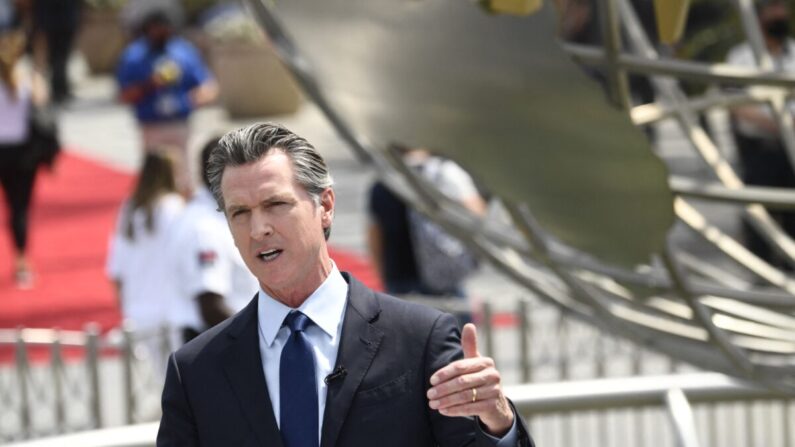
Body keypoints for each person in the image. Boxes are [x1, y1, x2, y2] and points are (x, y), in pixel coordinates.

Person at [157, 123, 533, 446]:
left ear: (326, 206)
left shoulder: (420, 340)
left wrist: (496, 419)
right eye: (240, 212)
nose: (259, 229)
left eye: (275, 204)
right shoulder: (195, 372)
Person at [166, 137, 258, 344]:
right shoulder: (205, 228)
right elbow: (210, 305)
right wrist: (255, 343)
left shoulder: (212, 216)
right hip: (217, 344)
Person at [116, 9, 217, 196]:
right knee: (157, 180)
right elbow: (124, 95)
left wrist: (193, 99)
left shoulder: (184, 51)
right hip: (152, 125)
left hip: (180, 122)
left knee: (187, 178)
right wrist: (150, 84)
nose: (161, 33)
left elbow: (208, 86)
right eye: (156, 30)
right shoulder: (134, 55)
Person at [727, 0, 795, 267]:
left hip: (790, 151)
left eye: (783, 9)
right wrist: (777, 122)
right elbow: (734, 105)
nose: (780, 15)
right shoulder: (740, 57)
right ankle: (762, 271)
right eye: (773, 9)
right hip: (759, 151)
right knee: (759, 215)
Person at [106, 151, 185, 361]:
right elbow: (182, 257)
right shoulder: (172, 207)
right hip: (170, 308)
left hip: (140, 308)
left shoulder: (130, 209)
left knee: (163, 377)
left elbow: (116, 266)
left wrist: (125, 305)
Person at [0, 24, 48, 289]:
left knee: (15, 206)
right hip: (22, 153)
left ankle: (20, 259)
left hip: (8, 151)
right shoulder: (27, 78)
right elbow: (43, 101)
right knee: (20, 207)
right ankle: (21, 259)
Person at [31, 0, 81, 104]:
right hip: (54, 20)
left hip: (61, 19)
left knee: (61, 57)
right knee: (56, 57)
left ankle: (60, 88)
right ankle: (57, 89)